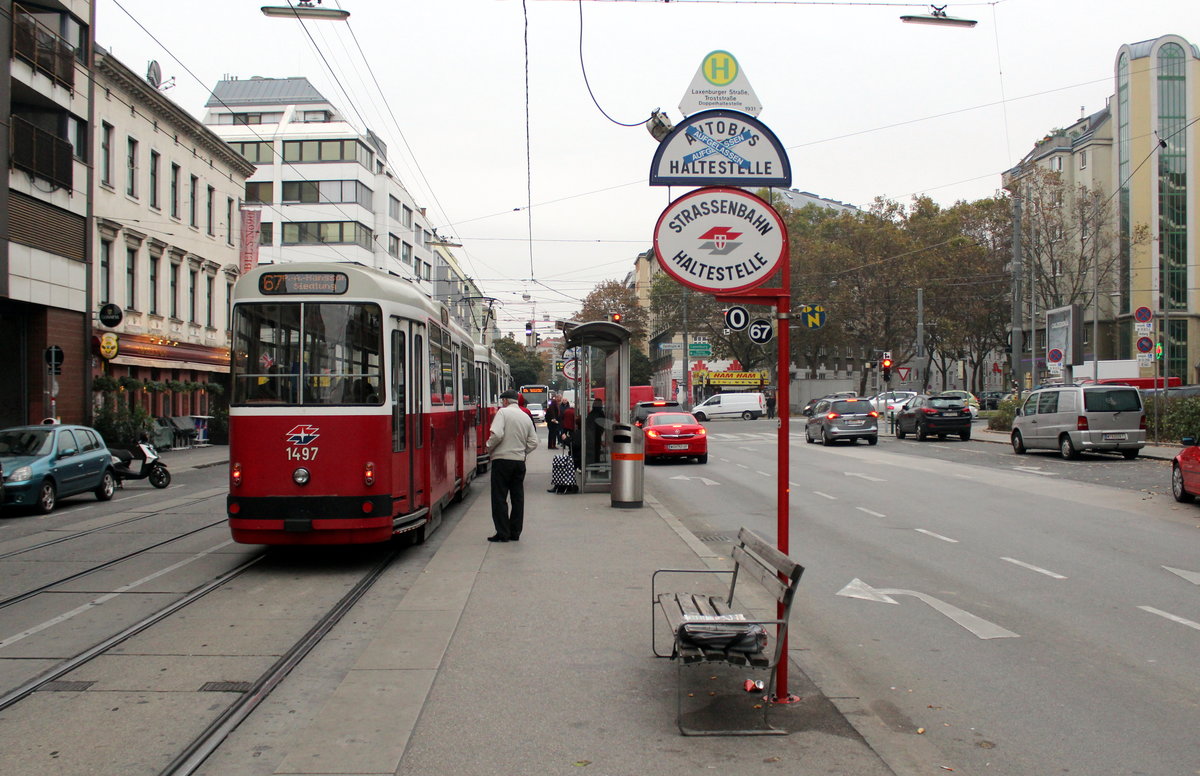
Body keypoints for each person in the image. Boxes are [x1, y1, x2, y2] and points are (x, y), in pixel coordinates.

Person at [486, 389, 539, 542]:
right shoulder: (525, 417)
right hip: (519, 462)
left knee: (499, 497)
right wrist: (523, 452)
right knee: (517, 497)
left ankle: (503, 532)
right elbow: (534, 442)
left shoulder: (503, 413)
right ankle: (515, 532)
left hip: (502, 460)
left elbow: (497, 434)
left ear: (505, 401)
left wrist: (489, 447)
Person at [585, 398, 605, 465]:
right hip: (597, 435)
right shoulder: (601, 414)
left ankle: (591, 465)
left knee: (591, 452)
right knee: (597, 452)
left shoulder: (591, 413)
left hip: (590, 435)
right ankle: (596, 466)